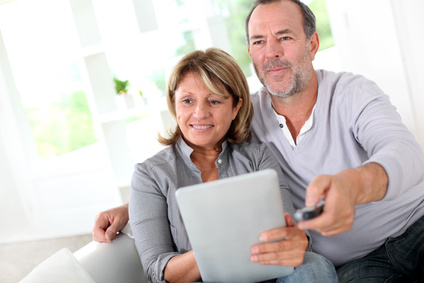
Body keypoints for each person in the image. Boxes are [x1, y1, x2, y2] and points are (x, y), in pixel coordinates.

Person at [94, 0, 424, 282]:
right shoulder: (242, 116)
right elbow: (197, 157)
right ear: (250, 52)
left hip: (415, 228)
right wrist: (138, 207)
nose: (272, 53)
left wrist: (352, 186)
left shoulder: (351, 93)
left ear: (311, 43)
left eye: (284, 37)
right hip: (358, 267)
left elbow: (405, 152)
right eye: (258, 41)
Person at [125, 48, 337, 283]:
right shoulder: (150, 175)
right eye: (187, 101)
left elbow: (294, 241)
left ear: (236, 107)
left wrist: (296, 241)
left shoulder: (257, 157)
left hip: (269, 277)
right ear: (174, 104)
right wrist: (221, 248)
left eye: (214, 101)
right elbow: (158, 271)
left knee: (313, 265)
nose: (200, 113)